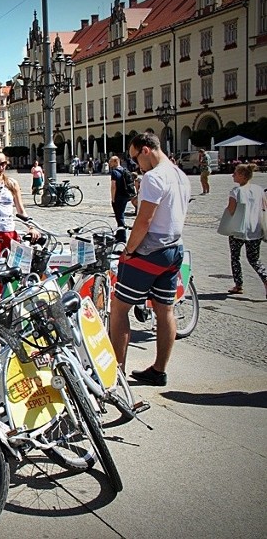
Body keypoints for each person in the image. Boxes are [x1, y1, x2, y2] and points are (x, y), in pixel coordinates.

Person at [110, 132, 191, 387]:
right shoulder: (179, 174)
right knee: (165, 309)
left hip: (150, 251)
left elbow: (144, 220)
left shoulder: (153, 177)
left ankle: (116, 372)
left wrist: (130, 250)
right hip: (174, 248)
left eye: (135, 158)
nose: (136, 165)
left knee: (119, 308)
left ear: (146, 150)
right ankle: (159, 371)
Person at [223, 164, 267, 297]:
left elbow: (231, 210)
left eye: (235, 173)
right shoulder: (259, 189)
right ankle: (265, 278)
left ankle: (239, 284)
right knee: (254, 259)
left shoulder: (236, 191)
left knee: (235, 257)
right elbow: (264, 207)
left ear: (242, 176)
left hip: (238, 230)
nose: (233, 175)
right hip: (255, 229)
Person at [109, 156, 132, 243]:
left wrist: (113, 198)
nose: (109, 163)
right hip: (125, 196)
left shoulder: (114, 172)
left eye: (110, 161)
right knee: (120, 215)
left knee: (119, 216)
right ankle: (119, 234)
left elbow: (113, 186)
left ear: (115, 161)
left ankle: (122, 237)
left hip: (118, 196)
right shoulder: (124, 170)